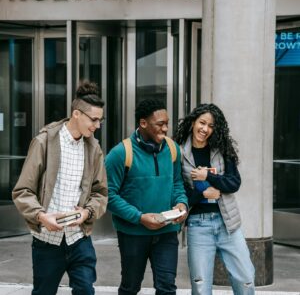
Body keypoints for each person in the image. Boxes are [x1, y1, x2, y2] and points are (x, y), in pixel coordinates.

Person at [12, 80, 108, 295]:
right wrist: (41, 216)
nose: (97, 126)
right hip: (47, 241)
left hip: (79, 238)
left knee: (85, 290)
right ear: (76, 114)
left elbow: (100, 192)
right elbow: (22, 191)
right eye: (93, 120)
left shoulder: (93, 148)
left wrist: (87, 212)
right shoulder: (44, 142)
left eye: (100, 120)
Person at [105, 99, 188, 295]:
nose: (165, 128)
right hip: (133, 234)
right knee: (130, 287)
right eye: (160, 124)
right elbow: (108, 195)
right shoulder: (120, 153)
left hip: (167, 232)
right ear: (143, 123)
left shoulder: (173, 149)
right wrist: (140, 217)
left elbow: (177, 183)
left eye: (167, 123)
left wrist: (181, 203)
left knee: (167, 288)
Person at [174, 103, 255, 295]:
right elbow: (180, 193)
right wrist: (203, 193)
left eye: (211, 126)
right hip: (198, 225)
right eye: (202, 123)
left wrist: (208, 177)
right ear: (193, 122)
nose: (205, 129)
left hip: (228, 223)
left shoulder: (222, 148)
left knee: (246, 280)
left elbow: (234, 183)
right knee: (201, 287)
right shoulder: (178, 153)